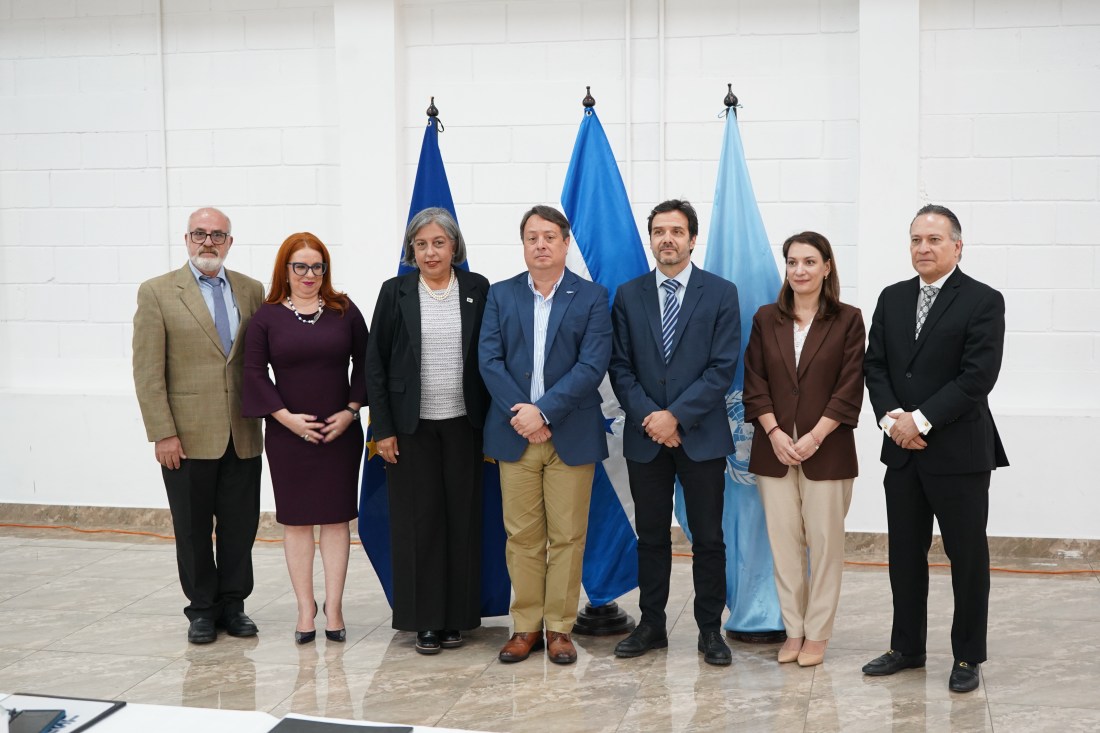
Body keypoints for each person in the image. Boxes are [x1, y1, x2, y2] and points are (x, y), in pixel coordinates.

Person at [862, 204, 1008, 693]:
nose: (923, 248)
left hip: (959, 453)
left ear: (957, 247)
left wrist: (919, 420)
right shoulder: (892, 297)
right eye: (916, 240)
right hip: (902, 451)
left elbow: (977, 376)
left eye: (934, 239)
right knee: (905, 554)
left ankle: (967, 655)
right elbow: (875, 366)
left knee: (967, 557)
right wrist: (892, 421)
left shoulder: (983, 300)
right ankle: (907, 648)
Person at [608, 199, 741, 666]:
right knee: (650, 537)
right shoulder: (628, 294)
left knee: (708, 538)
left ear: (692, 238)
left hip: (701, 436)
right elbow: (620, 367)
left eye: (677, 231)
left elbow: (722, 368)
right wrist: (654, 418)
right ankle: (651, 625)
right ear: (651, 239)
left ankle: (710, 630)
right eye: (659, 231)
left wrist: (676, 417)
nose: (668, 239)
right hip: (646, 438)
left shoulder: (720, 292)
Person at [478, 205, 611, 665]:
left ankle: (559, 629)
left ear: (565, 242)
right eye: (532, 237)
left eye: (549, 237)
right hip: (514, 433)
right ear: (523, 244)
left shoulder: (592, 297)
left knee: (568, 537)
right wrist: (524, 415)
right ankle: (526, 627)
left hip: (570, 433)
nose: (540, 245)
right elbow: (489, 361)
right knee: (522, 537)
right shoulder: (501, 294)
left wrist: (544, 412)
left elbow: (592, 365)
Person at [133, 207, 265, 645]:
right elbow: (148, 372)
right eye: (200, 234)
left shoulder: (251, 290)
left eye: (218, 235)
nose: (209, 242)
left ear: (230, 242)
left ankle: (234, 605)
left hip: (242, 432)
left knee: (240, 526)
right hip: (186, 437)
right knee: (192, 529)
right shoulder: (157, 293)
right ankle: (202, 610)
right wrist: (162, 432)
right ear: (187, 238)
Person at [366, 208, 491, 655]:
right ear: (411, 250)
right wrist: (383, 429)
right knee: (419, 525)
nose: (430, 252)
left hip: (465, 426)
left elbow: (491, 356)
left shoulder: (478, 288)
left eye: (439, 243)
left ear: (454, 246)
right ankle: (424, 621)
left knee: (462, 520)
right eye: (421, 244)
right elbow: (375, 364)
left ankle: (456, 618)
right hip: (409, 430)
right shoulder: (394, 291)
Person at [742, 231, 865, 667]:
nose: (800, 270)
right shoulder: (766, 318)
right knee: (784, 545)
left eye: (809, 262)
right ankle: (793, 630)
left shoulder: (848, 319)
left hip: (826, 450)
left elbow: (850, 387)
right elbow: (754, 382)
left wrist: (814, 436)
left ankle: (818, 633)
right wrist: (775, 433)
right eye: (792, 262)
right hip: (774, 450)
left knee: (826, 546)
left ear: (827, 267)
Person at [241, 232, 368, 645]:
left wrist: (351, 411)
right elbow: (254, 374)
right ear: (285, 269)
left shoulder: (344, 310)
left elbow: (368, 364)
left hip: (339, 433)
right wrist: (285, 419)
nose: (309, 274)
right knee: (296, 523)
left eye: (317, 266)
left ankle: (335, 607)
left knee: (335, 520)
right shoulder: (266, 317)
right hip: (288, 436)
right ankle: (304, 609)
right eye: (300, 266)